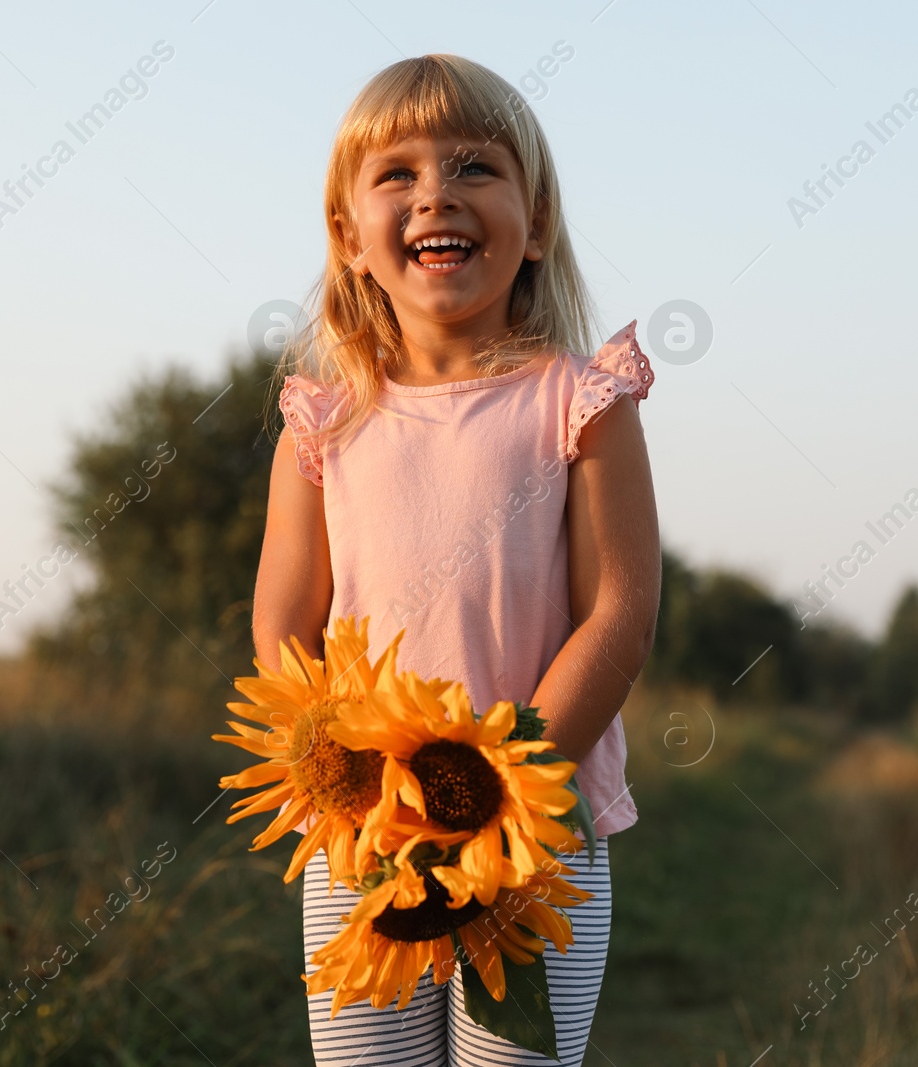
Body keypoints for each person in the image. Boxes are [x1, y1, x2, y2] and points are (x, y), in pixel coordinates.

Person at [252, 52, 661, 1066]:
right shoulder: (324, 422)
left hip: (536, 835)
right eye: (397, 173)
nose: (437, 191)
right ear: (349, 237)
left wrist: (509, 790)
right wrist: (351, 789)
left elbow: (617, 610)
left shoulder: (581, 405)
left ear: (538, 222)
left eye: (477, 167)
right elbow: (282, 628)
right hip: (366, 839)